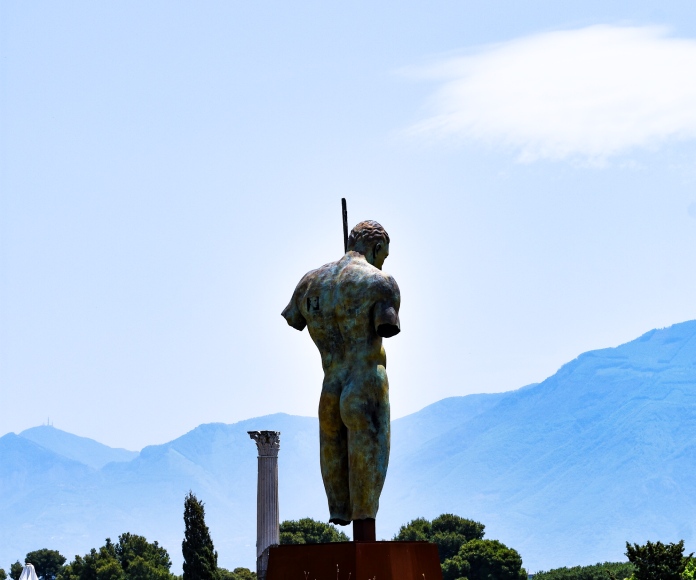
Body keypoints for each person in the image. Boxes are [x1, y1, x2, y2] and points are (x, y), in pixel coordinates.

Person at [282, 220, 400, 540]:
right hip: (365, 386)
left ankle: (338, 509)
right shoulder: (380, 283)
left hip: (330, 389)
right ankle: (364, 527)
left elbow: (294, 318)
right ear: (376, 249)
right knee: (367, 495)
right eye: (384, 256)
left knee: (338, 485)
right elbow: (385, 326)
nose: (383, 262)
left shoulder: (310, 283)